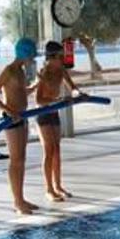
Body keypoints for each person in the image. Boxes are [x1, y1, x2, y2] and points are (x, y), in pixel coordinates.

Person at [0, 38, 39, 215]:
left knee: (21, 159)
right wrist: (7, 110)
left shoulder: (21, 71)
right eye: (31, 55)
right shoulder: (8, 70)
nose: (33, 58)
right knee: (15, 160)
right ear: (25, 54)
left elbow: (22, 92)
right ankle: (17, 202)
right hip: (11, 120)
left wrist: (37, 85)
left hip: (22, 117)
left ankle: (21, 198)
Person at [32, 41, 81, 202]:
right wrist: (58, 99)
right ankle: (49, 189)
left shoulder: (61, 71)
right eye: (60, 56)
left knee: (57, 150)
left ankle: (58, 186)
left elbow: (72, 87)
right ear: (52, 57)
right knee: (49, 150)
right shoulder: (44, 73)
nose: (63, 59)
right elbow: (38, 99)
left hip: (54, 113)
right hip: (43, 114)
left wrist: (77, 94)